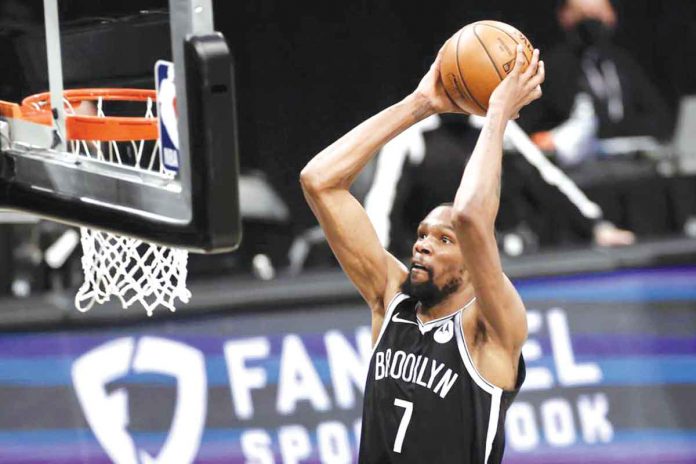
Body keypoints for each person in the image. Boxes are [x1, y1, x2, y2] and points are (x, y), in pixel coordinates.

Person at [300, 44, 544, 463]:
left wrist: (496, 116)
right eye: (421, 234)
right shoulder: (390, 303)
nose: (423, 243)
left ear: (474, 260)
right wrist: (420, 104)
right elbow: (318, 180)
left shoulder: (489, 328)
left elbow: (470, 216)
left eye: (443, 239)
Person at [522, 0, 672, 165]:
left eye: (598, 14)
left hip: (630, 165)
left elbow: (658, 117)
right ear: (564, 16)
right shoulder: (551, 68)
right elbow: (534, 127)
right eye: (583, 14)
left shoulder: (623, 64)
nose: (591, 21)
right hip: (576, 168)